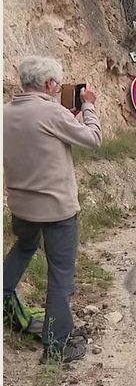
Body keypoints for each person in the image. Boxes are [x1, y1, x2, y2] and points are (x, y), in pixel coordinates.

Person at [3, 56, 102, 364]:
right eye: (58, 83)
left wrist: (65, 117)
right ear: (48, 84)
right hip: (57, 209)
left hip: (21, 205)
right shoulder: (53, 112)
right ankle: (56, 348)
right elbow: (93, 139)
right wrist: (88, 106)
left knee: (24, 247)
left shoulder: (6, 111)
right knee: (60, 278)